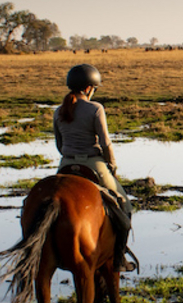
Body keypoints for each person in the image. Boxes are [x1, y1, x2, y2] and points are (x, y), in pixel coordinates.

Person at [54, 63, 135, 271]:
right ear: (89, 88)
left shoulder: (58, 111)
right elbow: (105, 143)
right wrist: (112, 165)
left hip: (66, 163)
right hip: (92, 163)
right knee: (124, 205)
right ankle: (119, 258)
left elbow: (59, 145)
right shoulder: (95, 108)